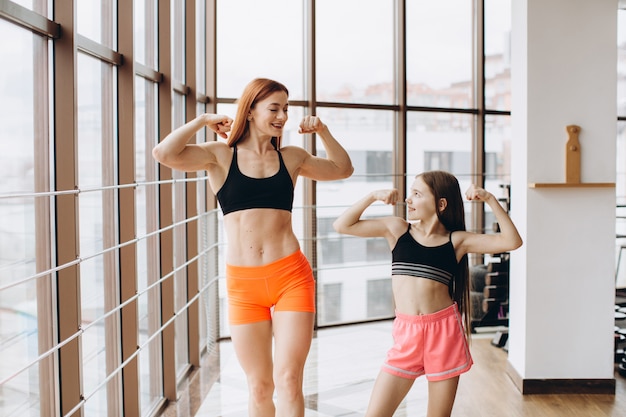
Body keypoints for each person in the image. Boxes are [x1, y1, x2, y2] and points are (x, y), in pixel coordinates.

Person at [152, 78, 353, 417]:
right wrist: (203, 121)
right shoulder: (219, 156)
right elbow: (164, 153)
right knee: (260, 387)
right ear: (250, 111)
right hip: (244, 286)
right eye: (274, 108)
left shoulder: (292, 157)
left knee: (289, 379)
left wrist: (323, 131)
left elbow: (343, 169)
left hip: (291, 276)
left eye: (286, 109)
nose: (282, 116)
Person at [332, 171, 522, 417]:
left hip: (443, 334)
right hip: (406, 335)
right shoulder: (397, 230)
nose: (408, 200)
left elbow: (512, 241)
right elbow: (342, 225)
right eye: (410, 193)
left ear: (441, 204)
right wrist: (372, 196)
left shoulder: (456, 241)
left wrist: (489, 199)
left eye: (417, 194)